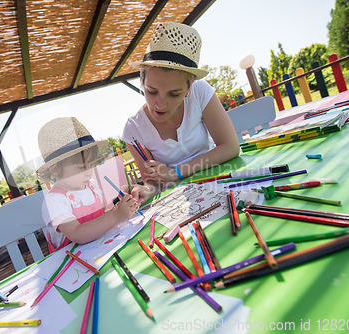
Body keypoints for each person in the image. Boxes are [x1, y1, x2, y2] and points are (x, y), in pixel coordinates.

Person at [122, 22, 240, 204]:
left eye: (174, 94)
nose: (160, 104)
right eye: (151, 91)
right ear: (142, 81)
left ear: (189, 87)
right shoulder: (133, 129)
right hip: (180, 203)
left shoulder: (200, 92)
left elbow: (231, 147)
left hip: (221, 183)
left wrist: (175, 172)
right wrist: (145, 191)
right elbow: (153, 184)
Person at [37, 117, 139, 253]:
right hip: (72, 264)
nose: (89, 173)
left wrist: (124, 210)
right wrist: (116, 214)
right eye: (81, 168)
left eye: (91, 165)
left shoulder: (92, 185)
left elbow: (102, 214)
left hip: (100, 250)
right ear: (55, 169)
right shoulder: (54, 201)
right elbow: (77, 234)